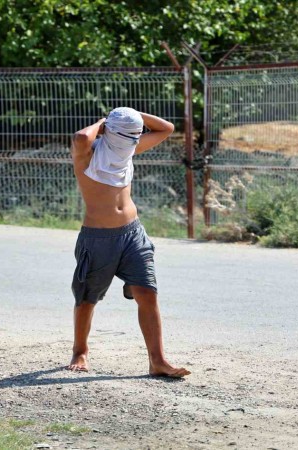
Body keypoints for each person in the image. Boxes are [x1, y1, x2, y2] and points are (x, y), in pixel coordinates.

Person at [67, 107, 190, 378]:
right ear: (109, 132)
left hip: (133, 233)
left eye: (135, 136)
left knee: (147, 292)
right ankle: (80, 351)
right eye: (126, 136)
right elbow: (80, 137)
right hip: (98, 238)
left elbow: (167, 128)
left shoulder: (128, 149)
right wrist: (105, 121)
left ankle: (158, 361)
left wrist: (131, 115)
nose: (131, 142)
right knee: (87, 298)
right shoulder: (87, 155)